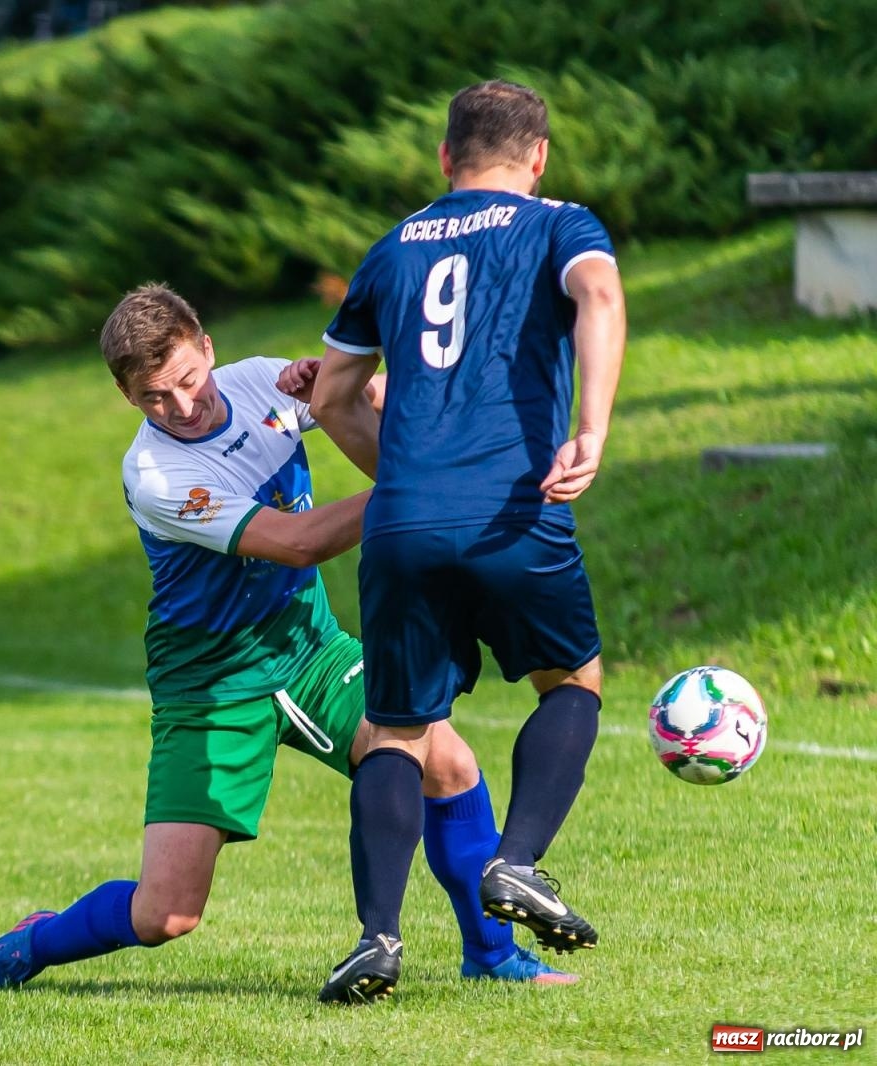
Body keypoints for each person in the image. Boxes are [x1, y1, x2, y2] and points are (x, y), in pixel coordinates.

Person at [0, 283, 575, 997]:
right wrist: (421, 490)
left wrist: (353, 387)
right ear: (128, 397)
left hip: (312, 651)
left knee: (450, 763)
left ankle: (492, 957)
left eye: (187, 379)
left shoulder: (253, 383)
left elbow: (367, 398)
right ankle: (35, 942)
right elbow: (301, 543)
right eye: (155, 397)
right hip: (214, 687)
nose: (182, 406)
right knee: (167, 914)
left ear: (208, 349)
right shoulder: (156, 473)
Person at [293, 79, 626, 1004]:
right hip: (512, 507)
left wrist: (398, 481)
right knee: (574, 680)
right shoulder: (560, 225)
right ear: (539, 156)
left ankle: (377, 936)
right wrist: (591, 428)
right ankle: (516, 860)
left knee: (396, 730)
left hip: (402, 519)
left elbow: (330, 397)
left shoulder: (393, 247)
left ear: (444, 159)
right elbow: (597, 294)